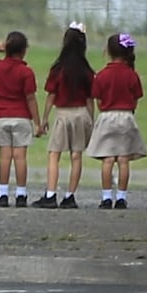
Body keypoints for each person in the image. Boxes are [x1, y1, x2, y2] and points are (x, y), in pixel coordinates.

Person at [0, 31, 41, 208]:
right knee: (20, 157)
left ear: (6, 49)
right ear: (24, 50)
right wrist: (37, 122)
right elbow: (31, 98)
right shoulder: (26, 72)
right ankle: (21, 194)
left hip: (1, 117)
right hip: (22, 117)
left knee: (4, 157)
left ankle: (2, 193)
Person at [36, 24, 95, 209]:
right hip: (81, 113)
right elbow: (90, 99)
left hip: (63, 114)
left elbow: (51, 96)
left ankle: (51, 193)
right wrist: (91, 120)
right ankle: (70, 196)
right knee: (76, 155)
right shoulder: (87, 71)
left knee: (54, 154)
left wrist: (44, 118)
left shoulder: (58, 69)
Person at [86, 33, 147, 210]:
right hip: (126, 116)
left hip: (107, 116)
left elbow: (98, 100)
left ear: (108, 51)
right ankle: (121, 197)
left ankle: (106, 197)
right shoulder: (132, 75)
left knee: (108, 159)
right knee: (123, 159)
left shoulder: (102, 75)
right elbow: (135, 99)